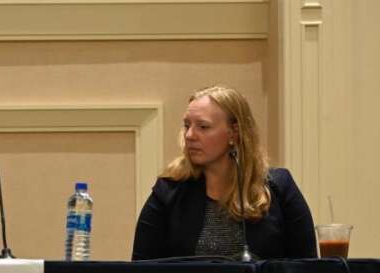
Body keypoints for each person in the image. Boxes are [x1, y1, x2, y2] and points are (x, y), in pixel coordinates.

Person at [132, 85, 316, 260]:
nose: (189, 136)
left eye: (203, 127)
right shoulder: (168, 191)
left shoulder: (278, 187)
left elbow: (306, 271)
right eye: (187, 125)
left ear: (234, 133)